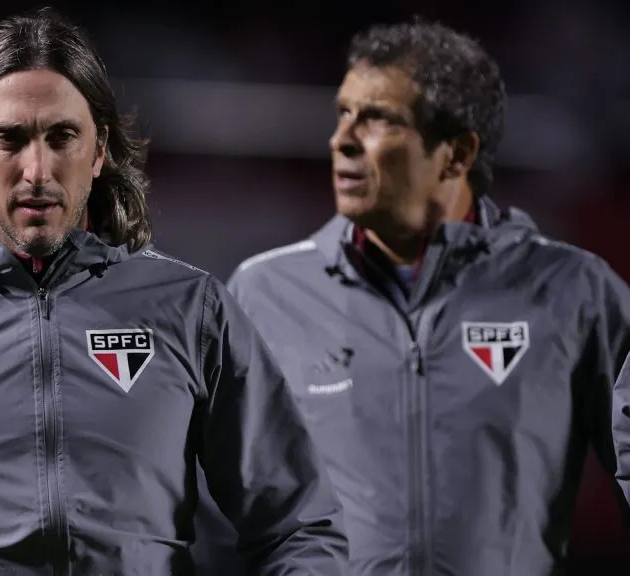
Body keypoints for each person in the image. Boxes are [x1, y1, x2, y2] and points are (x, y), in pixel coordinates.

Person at [0, 7, 348, 575]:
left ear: (98, 152)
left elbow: (299, 527)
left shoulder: (191, 310)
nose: (38, 169)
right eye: (9, 139)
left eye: (62, 136)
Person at [193, 18, 630, 576]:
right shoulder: (265, 293)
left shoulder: (571, 291)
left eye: (378, 119)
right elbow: (212, 507)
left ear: (456, 154)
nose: (341, 140)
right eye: (343, 113)